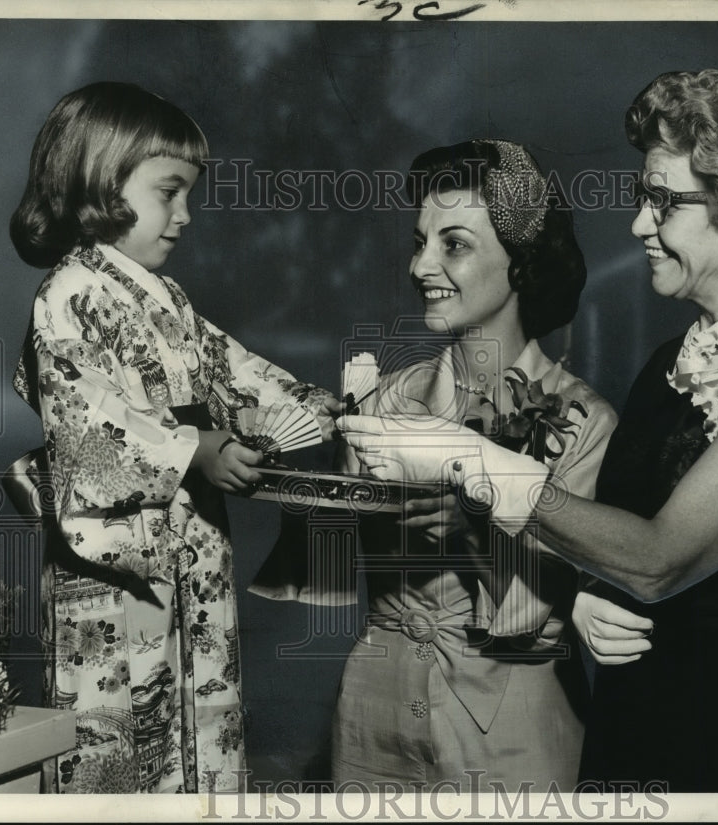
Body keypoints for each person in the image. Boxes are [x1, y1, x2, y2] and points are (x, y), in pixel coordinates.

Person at [340, 70, 718, 792]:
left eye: (664, 204)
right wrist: (586, 594)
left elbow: (659, 558)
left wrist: (468, 455)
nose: (638, 226)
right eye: (641, 198)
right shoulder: (668, 361)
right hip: (640, 725)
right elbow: (610, 533)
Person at [252, 139, 650, 791]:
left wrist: (468, 517)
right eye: (419, 241)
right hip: (372, 704)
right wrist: (295, 447)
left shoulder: (583, 420)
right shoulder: (388, 398)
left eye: (454, 244)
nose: (421, 265)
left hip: (510, 711)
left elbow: (554, 605)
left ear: (521, 263)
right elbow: (324, 552)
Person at [10, 81, 336, 793]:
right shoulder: (69, 292)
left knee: (200, 732)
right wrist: (194, 449)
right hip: (114, 568)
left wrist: (317, 405)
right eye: (171, 192)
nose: (186, 216)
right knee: (119, 743)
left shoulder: (167, 299)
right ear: (102, 180)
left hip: (192, 555)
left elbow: (233, 371)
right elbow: (86, 420)